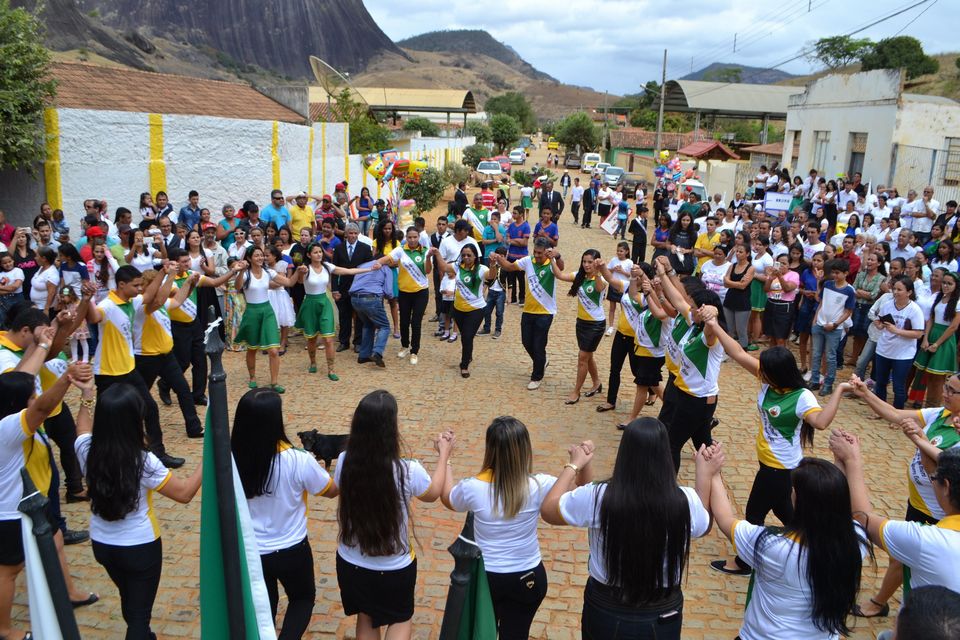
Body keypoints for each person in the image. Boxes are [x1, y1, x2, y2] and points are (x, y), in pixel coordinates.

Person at [541, 419, 721, 639]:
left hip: (607, 608)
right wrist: (704, 473)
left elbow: (549, 509)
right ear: (665, 455)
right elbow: (702, 524)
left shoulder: (599, 496)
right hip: (663, 611)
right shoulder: (684, 501)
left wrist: (575, 464)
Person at [707, 320, 851, 575]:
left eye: (765, 371)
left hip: (779, 467)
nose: (759, 373)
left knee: (754, 514)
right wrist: (714, 325)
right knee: (786, 511)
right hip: (770, 465)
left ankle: (745, 562)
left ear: (779, 372)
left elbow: (820, 422)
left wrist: (839, 389)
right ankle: (818, 550)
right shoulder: (768, 382)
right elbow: (737, 352)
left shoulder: (801, 396)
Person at [76, 379, 202, 640]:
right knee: (139, 618)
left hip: (103, 545)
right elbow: (185, 493)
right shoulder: (144, 461)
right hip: (140, 548)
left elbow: (82, 429)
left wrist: (87, 396)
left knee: (130, 599)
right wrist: (210, 454)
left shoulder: (87, 450)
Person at [710, 442, 869, 639]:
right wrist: (845, 460)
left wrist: (714, 474)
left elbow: (725, 520)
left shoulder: (774, 547)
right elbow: (857, 511)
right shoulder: (855, 540)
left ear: (800, 501)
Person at [442, 416, 577, 639]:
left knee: (481, 633)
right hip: (528, 575)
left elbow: (447, 497)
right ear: (525, 449)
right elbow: (577, 487)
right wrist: (574, 464)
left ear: (490, 449)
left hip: (486, 579)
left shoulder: (473, 488)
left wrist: (445, 458)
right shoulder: (539, 484)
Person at [335, 390, 453, 640]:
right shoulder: (407, 470)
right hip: (393, 566)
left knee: (366, 616)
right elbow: (433, 493)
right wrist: (444, 455)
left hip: (352, 562)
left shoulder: (345, 460)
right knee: (400, 618)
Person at [0, 360, 99, 640]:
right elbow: (43, 407)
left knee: (55, 543)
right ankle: (4, 630)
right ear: (16, 403)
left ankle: (67, 592)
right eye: (30, 396)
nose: (36, 399)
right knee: (8, 571)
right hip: (10, 513)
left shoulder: (21, 427)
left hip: (36, 505)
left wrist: (86, 397)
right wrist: (67, 378)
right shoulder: (8, 428)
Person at [231, 388, 337, 638]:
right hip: (292, 548)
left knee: (263, 605)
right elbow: (330, 490)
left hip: (252, 552)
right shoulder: (298, 460)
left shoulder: (229, 459)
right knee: (302, 599)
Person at [831, 425, 960, 604]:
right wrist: (921, 443)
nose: (932, 480)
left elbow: (863, 517)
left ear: (946, 487)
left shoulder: (926, 540)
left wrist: (852, 459)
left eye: (934, 478)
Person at [80, 266, 185, 469]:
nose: (139, 289)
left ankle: (158, 453)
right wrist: (87, 299)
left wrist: (164, 272)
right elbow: (93, 317)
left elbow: (150, 294)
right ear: (121, 285)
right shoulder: (108, 305)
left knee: (150, 409)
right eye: (135, 285)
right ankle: (100, 457)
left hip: (129, 369)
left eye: (140, 285)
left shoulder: (132, 302)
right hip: (108, 373)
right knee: (107, 418)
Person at [653, 255, 725, 472]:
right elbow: (677, 298)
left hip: (697, 400)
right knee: (702, 442)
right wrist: (663, 273)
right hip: (683, 391)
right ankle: (713, 480)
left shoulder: (709, 335)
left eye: (694, 307)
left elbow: (712, 329)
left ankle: (668, 488)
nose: (688, 308)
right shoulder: (691, 322)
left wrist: (714, 314)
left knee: (671, 444)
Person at [134, 266, 205, 439]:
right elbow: (158, 301)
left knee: (183, 389)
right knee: (139, 397)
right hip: (146, 358)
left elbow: (178, 301)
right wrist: (171, 275)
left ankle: (194, 427)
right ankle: (133, 429)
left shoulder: (162, 302)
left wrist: (189, 283)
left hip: (166, 356)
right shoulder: (141, 305)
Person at [295, 243, 377, 380]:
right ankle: (313, 362)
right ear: (309, 255)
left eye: (320, 252)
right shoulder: (306, 269)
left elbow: (348, 271)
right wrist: (300, 272)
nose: (319, 254)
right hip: (309, 304)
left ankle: (331, 369)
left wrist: (369, 269)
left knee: (328, 339)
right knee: (311, 338)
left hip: (324, 303)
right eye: (315, 252)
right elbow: (299, 282)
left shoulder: (327, 267)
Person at [491, 239, 565, 390]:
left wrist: (557, 257)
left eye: (540, 253)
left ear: (546, 251)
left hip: (545, 312)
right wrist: (499, 258)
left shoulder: (551, 263)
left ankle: (536, 376)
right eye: (535, 252)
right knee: (526, 342)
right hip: (528, 310)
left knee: (538, 344)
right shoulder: (528, 261)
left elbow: (561, 269)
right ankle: (541, 361)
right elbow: (510, 267)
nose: (537, 256)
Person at [233, 246, 296, 392]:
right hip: (252, 312)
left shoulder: (269, 272)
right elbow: (238, 287)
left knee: (273, 350)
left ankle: (274, 382)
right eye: (256, 256)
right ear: (249, 258)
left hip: (267, 311)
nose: (261, 258)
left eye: (262, 255)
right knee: (252, 348)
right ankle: (252, 377)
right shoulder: (246, 274)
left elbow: (289, 283)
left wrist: (299, 271)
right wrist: (241, 270)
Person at [433, 243, 498, 378]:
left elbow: (490, 276)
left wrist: (493, 265)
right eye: (463, 255)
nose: (466, 257)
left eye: (469, 255)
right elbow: (444, 267)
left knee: (467, 337)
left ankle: (464, 365)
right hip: (458, 309)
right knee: (466, 337)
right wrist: (438, 254)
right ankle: (468, 355)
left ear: (475, 256)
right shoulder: (457, 267)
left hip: (476, 309)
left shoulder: (481, 269)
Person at [552, 249, 607, 404]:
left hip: (595, 325)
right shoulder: (579, 276)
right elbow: (560, 275)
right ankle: (597, 383)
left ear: (596, 262)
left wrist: (598, 271)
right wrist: (552, 260)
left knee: (582, 357)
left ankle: (576, 391)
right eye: (584, 261)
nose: (586, 265)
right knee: (588, 357)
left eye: (590, 262)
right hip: (581, 322)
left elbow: (598, 288)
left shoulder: (601, 279)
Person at [873, 276, 925, 409]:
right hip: (884, 349)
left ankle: (898, 414)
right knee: (881, 383)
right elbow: (881, 324)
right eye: (894, 288)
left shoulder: (914, 309)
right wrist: (879, 324)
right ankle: (880, 410)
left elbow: (918, 333)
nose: (895, 292)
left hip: (903, 354)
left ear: (909, 292)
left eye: (899, 289)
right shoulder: (887, 305)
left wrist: (897, 331)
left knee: (898, 386)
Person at [809, 259, 855, 396]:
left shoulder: (849, 290)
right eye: (833, 272)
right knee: (816, 354)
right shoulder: (828, 284)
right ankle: (815, 380)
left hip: (834, 328)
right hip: (820, 323)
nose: (834, 275)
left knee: (830, 356)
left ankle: (828, 384)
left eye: (837, 273)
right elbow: (821, 302)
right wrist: (815, 320)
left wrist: (835, 324)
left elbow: (848, 311)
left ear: (846, 273)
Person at [914, 271, 960, 406]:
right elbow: (931, 319)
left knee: (938, 376)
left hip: (945, 339)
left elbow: (953, 326)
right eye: (944, 283)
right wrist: (926, 338)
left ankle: (935, 405)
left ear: (956, 286)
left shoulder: (957, 302)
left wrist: (937, 344)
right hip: (932, 334)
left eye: (949, 284)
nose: (946, 286)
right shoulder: (939, 298)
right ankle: (928, 403)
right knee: (928, 375)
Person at [349, 248, 394, 368]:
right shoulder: (386, 268)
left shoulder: (362, 266)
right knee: (384, 326)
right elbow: (389, 291)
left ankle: (363, 355)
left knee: (368, 325)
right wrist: (390, 297)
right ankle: (377, 352)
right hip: (372, 299)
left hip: (355, 299)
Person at [332, 223, 374, 353]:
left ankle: (358, 342)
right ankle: (344, 341)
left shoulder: (365, 248)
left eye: (355, 233)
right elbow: (334, 270)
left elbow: (370, 270)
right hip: (343, 288)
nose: (353, 236)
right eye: (350, 233)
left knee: (360, 316)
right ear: (346, 234)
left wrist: (368, 288)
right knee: (344, 315)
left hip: (360, 287)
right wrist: (334, 289)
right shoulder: (338, 248)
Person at [762, 254, 800, 347]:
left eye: (784, 263)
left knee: (780, 338)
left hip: (784, 306)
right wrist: (770, 278)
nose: (781, 266)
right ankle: (772, 358)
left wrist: (780, 276)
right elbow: (766, 289)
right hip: (771, 303)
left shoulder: (794, 275)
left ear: (789, 265)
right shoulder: (772, 274)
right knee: (771, 336)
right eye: (779, 263)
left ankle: (781, 358)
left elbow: (787, 288)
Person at [721, 244, 755, 348]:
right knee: (729, 328)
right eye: (737, 251)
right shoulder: (732, 265)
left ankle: (743, 349)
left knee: (741, 329)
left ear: (747, 254)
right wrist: (736, 283)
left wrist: (730, 282)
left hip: (742, 301)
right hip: (729, 299)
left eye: (741, 252)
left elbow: (743, 286)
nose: (738, 254)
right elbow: (725, 283)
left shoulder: (750, 268)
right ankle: (729, 350)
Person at [604, 242, 633, 336]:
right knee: (612, 308)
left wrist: (622, 271)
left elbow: (631, 276)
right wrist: (613, 270)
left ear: (626, 251)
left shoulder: (629, 262)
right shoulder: (614, 260)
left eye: (621, 251)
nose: (619, 253)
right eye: (618, 251)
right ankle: (611, 326)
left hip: (624, 287)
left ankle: (622, 325)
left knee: (623, 308)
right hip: (613, 286)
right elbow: (607, 270)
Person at [505, 208, 530, 306]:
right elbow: (507, 240)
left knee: (521, 279)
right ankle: (513, 298)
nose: (513, 214)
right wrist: (517, 240)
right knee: (511, 278)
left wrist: (512, 240)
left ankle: (522, 298)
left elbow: (524, 243)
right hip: (511, 256)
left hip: (521, 257)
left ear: (520, 214)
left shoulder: (526, 226)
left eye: (515, 213)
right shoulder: (511, 226)